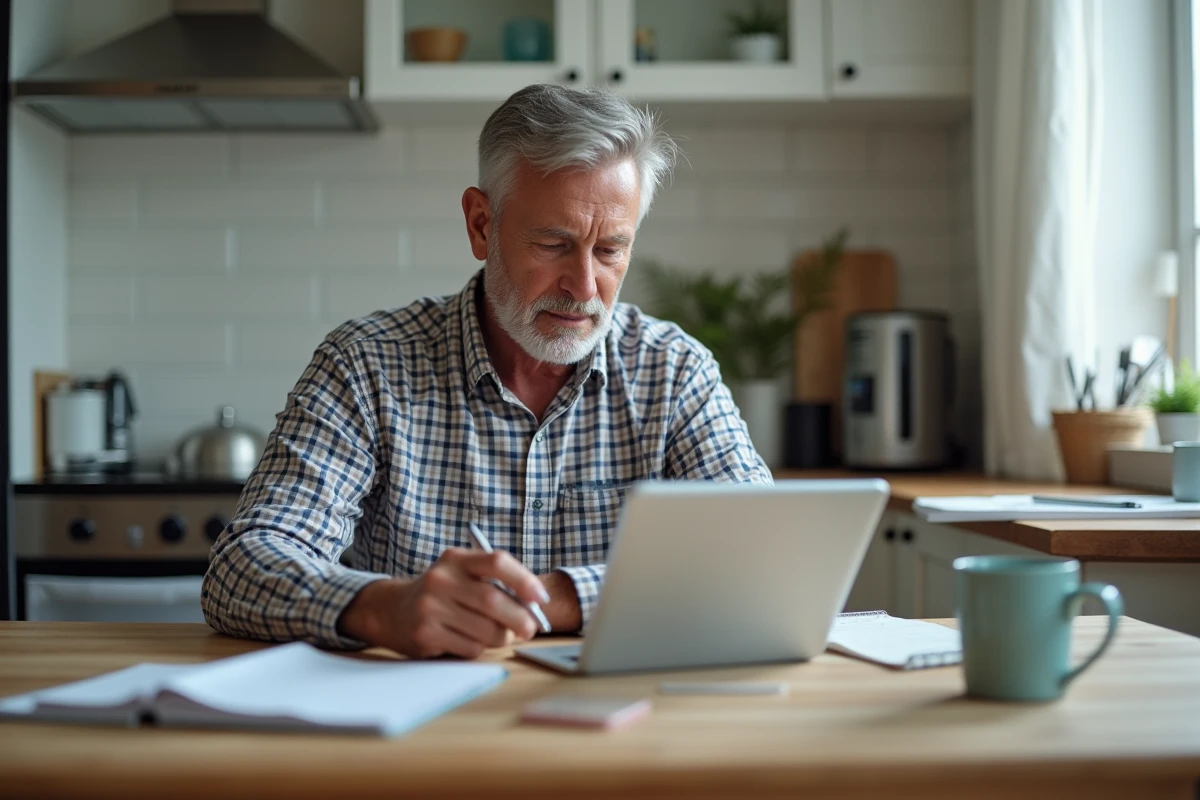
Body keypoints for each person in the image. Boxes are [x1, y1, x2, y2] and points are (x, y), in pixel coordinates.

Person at [201, 83, 771, 659]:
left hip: (623, 730)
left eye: (610, 251)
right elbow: (242, 567)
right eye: (552, 244)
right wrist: (382, 606)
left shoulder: (673, 372)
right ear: (480, 224)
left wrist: (557, 599)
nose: (583, 287)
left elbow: (768, 557)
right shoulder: (366, 364)